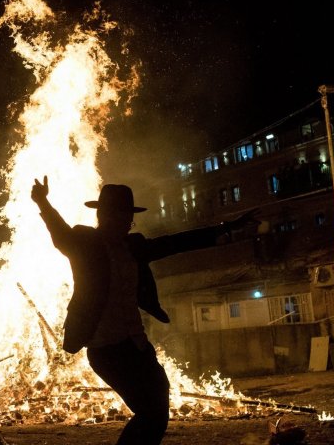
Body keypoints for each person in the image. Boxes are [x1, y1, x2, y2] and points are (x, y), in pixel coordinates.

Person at [31, 177, 256, 445]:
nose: (127, 224)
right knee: (150, 412)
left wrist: (227, 229)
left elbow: (177, 243)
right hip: (106, 349)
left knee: (158, 409)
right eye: (122, 217)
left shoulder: (134, 246)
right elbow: (60, 232)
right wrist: (43, 201)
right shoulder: (84, 244)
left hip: (137, 345)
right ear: (105, 216)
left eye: (130, 219)